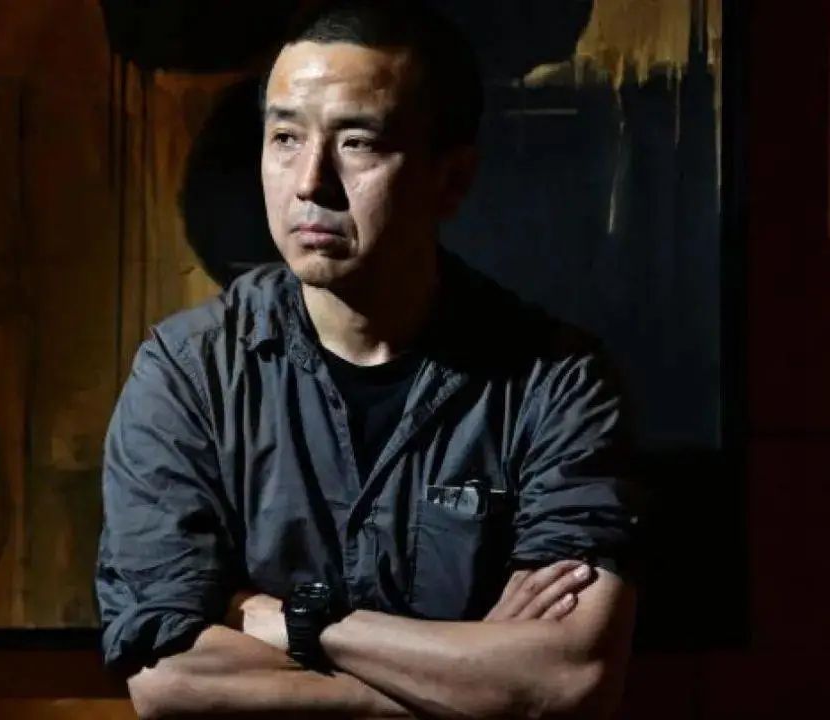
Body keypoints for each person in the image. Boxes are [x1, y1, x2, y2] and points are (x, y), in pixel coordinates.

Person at [95, 2, 643, 717]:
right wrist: (470, 692)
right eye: (285, 137)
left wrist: (291, 621)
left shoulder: (555, 384)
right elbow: (168, 679)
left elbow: (571, 678)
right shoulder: (188, 374)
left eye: (357, 143)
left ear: (452, 179)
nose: (309, 183)